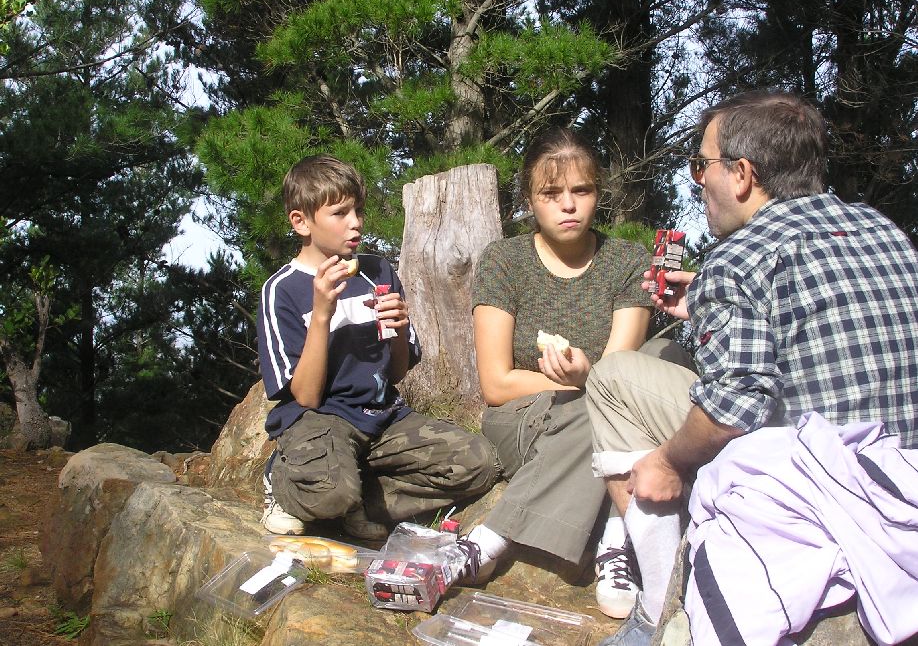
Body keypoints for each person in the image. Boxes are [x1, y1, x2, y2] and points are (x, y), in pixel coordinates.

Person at [586, 89, 918, 645]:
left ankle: (658, 606)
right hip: (899, 468)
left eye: (702, 165)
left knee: (613, 378)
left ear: (741, 174)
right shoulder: (882, 230)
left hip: (816, 480)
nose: (698, 182)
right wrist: (705, 305)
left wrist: (666, 462)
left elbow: (734, 408)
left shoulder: (738, 258)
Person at [463, 126, 663, 618]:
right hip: (526, 419)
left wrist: (590, 379)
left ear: (598, 192)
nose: (568, 205)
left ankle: (610, 537)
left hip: (603, 415)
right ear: (529, 199)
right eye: (551, 193)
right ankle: (614, 532)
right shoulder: (504, 261)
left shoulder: (628, 261)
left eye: (582, 190)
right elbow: (497, 384)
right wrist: (581, 382)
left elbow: (620, 374)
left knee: (663, 359)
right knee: (606, 405)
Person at [256, 154, 499, 541]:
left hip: (382, 415)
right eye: (340, 213)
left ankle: (358, 500)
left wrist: (399, 330)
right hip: (319, 419)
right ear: (301, 222)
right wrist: (321, 315)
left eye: (358, 211)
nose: (355, 222)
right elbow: (305, 397)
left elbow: (397, 372)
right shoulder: (282, 290)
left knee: (480, 463)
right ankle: (284, 482)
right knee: (331, 491)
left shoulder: (378, 272)